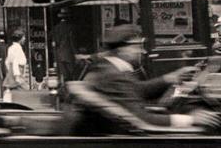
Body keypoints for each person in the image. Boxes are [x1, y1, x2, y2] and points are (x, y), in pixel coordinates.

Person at [74, 24, 219, 134]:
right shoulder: (112, 76)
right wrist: (191, 119)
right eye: (136, 46)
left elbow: (136, 91)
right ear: (122, 49)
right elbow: (142, 119)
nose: (141, 50)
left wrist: (171, 78)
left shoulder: (110, 69)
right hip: (123, 141)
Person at [3, 32, 28, 101]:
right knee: (25, 90)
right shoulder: (17, 48)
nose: (24, 39)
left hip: (13, 71)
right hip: (17, 71)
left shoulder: (11, 48)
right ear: (20, 39)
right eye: (23, 37)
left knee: (12, 89)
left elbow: (7, 62)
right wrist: (17, 76)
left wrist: (10, 71)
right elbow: (15, 62)